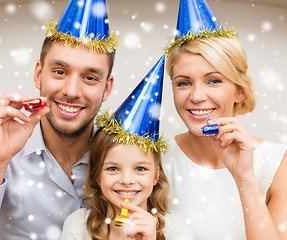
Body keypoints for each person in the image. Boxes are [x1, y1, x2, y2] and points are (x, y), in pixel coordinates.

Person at [0, 0, 119, 239]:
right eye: (60, 72)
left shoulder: (121, 152)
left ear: (106, 89)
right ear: (38, 74)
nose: (72, 91)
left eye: (89, 77)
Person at [163, 0, 287, 239]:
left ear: (240, 91)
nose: (197, 96)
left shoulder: (278, 164)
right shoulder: (154, 160)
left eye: (214, 80)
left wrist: (245, 178)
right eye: (184, 83)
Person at [61, 56, 195, 240]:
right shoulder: (79, 227)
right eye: (113, 168)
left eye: (140, 168)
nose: (126, 180)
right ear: (97, 176)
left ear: (156, 175)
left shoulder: (175, 229)